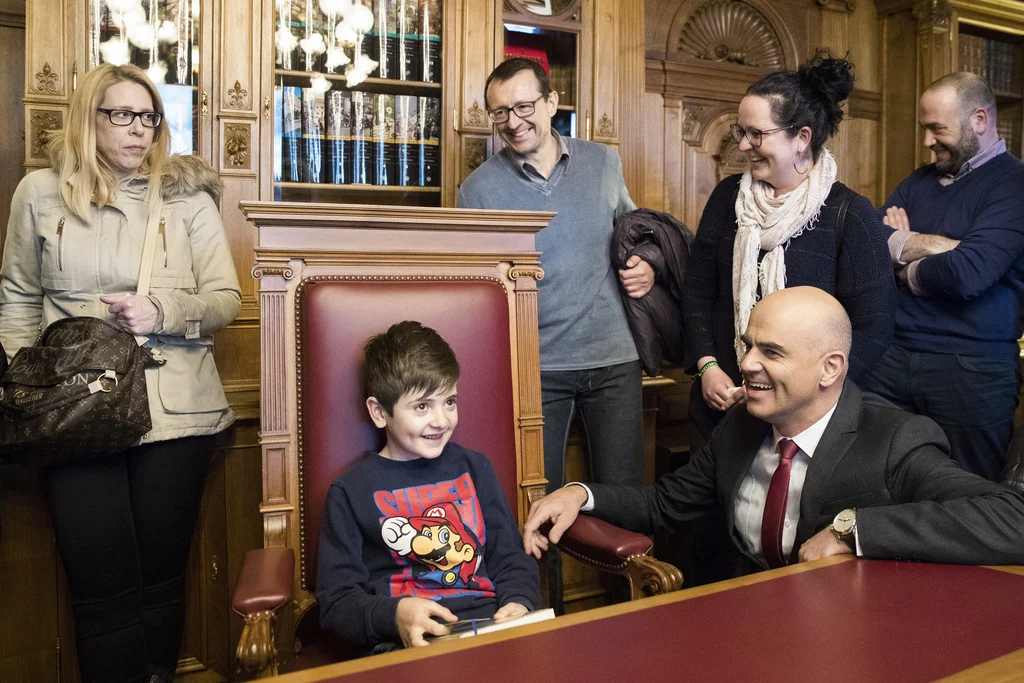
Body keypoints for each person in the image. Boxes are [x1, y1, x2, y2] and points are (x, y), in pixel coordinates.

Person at [0, 64, 241, 683]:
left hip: (175, 410)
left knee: (161, 577)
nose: (139, 129)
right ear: (89, 118)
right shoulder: (38, 192)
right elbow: (18, 297)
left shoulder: (189, 196)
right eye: (122, 115)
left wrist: (162, 309)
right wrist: (30, 386)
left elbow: (225, 299)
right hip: (74, 413)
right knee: (98, 581)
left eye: (149, 116)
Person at [524, 287, 1024, 574]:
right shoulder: (741, 425)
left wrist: (854, 530)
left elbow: (1012, 520)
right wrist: (578, 493)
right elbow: (662, 505)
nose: (746, 363)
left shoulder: (896, 439)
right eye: (748, 345)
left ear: (830, 368)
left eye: (772, 352)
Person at [682, 51, 896, 441]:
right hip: (724, 408)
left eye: (757, 134)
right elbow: (697, 293)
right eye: (740, 131)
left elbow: (874, 326)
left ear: (802, 138)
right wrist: (706, 366)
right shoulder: (726, 197)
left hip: (808, 422)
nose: (744, 146)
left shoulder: (850, 213)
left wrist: (809, 398)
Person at [457, 58, 646, 496]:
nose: (513, 121)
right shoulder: (477, 189)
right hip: (532, 366)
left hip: (614, 359)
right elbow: (473, 291)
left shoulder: (603, 162)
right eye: (500, 112)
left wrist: (647, 267)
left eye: (524, 106)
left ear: (552, 102)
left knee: (626, 495)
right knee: (534, 500)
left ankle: (627, 570)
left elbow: (634, 234)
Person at [315, 321, 540, 653]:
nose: (441, 420)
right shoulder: (350, 491)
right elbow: (337, 602)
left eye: (449, 401)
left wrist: (520, 601)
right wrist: (394, 615)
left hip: (490, 628)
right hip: (408, 644)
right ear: (379, 412)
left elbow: (509, 557)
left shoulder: (475, 468)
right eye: (422, 406)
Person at [861, 71, 1024, 482]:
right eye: (925, 129)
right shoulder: (919, 181)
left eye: (937, 129)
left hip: (972, 370)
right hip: (890, 358)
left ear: (980, 120)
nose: (927, 141)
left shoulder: (1015, 184)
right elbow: (867, 244)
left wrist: (903, 257)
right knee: (874, 483)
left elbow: (967, 273)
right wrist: (944, 245)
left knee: (965, 496)